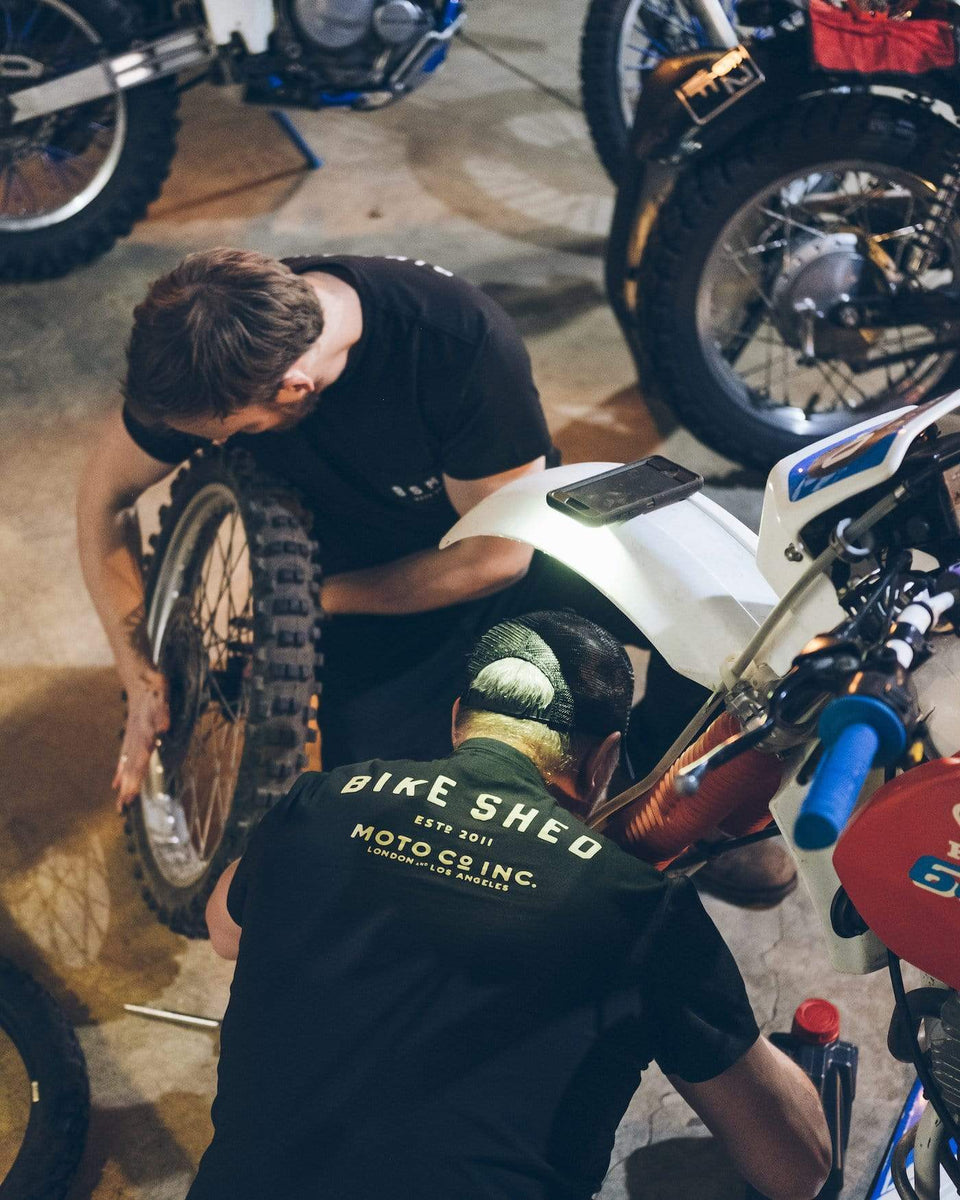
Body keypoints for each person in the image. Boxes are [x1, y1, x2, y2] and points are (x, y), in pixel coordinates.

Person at [76, 246, 795, 906]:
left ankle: (677, 807)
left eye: (231, 432)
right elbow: (101, 502)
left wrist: (308, 603)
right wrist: (138, 671)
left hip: (512, 540)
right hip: (372, 596)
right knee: (394, 838)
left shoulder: (459, 345)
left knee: (737, 627)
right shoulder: (210, 347)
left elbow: (495, 560)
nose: (219, 446)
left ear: (293, 388)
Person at [194, 610, 830, 1200]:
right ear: (606, 759)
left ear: (457, 722)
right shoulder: (641, 911)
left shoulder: (320, 799)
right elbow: (798, 1169)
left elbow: (223, 929)